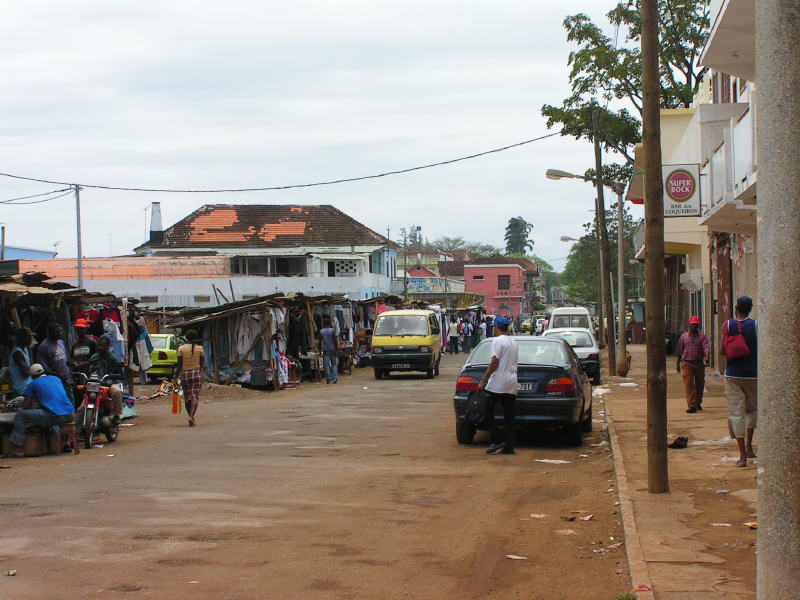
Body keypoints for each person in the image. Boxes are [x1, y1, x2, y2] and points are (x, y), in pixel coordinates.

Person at [3, 364, 75, 458]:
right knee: (51, 413)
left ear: (32, 375)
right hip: (70, 414)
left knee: (20, 416)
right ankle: (66, 442)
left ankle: (18, 449)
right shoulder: (56, 379)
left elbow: (26, 406)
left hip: (55, 416)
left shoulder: (33, 384)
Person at [722, 296, 758, 467]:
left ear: (736, 308)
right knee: (752, 410)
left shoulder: (728, 325)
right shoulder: (756, 326)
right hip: (753, 375)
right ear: (750, 308)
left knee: (737, 414)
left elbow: (722, 350)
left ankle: (742, 457)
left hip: (733, 374)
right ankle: (750, 447)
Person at [477, 316, 518, 455]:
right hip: (511, 383)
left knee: (486, 411)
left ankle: (497, 439)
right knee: (509, 416)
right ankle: (509, 445)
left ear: (497, 327)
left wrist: (483, 378)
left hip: (498, 383)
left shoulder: (497, 341)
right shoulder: (513, 342)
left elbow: (494, 362)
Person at [85, 336, 125, 423]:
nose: (100, 348)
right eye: (99, 345)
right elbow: (87, 371)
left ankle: (116, 415)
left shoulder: (112, 359)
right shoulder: (93, 357)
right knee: (82, 404)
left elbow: (121, 375)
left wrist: (112, 376)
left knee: (117, 391)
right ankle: (79, 428)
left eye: (102, 345)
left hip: (109, 384)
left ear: (108, 346)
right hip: (95, 385)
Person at [676, 316, 710, 413]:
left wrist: (707, 356)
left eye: (696, 325)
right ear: (689, 325)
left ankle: (698, 402)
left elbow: (706, 347)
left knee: (700, 384)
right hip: (687, 363)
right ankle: (691, 405)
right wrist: (677, 364)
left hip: (699, 363)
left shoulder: (702, 337)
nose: (695, 327)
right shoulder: (684, 337)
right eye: (693, 325)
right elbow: (679, 351)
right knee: (689, 385)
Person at [174, 330, 205, 427]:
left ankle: (190, 417)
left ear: (186, 337)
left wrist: (175, 377)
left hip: (185, 375)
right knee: (194, 396)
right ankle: (191, 416)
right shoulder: (200, 348)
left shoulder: (181, 348)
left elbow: (179, 365)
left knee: (187, 397)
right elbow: (201, 363)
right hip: (196, 374)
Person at [35, 323, 73, 401]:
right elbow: (43, 369)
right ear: (51, 333)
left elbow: (64, 360)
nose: (60, 334)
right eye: (57, 332)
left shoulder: (61, 342)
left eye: (61, 331)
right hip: (55, 383)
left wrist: (72, 363)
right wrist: (59, 375)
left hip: (67, 380)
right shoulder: (43, 347)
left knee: (70, 404)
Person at [9, 328, 34, 397]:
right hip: (22, 389)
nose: (31, 338)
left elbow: (29, 367)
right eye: (29, 336)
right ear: (22, 338)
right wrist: (36, 371)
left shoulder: (25, 349)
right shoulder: (17, 353)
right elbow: (25, 373)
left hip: (28, 385)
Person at [318, 317, 339, 384]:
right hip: (333, 349)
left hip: (325, 350)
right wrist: (337, 349)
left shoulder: (321, 331)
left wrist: (319, 350)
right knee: (334, 364)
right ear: (330, 323)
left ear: (323, 324)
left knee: (326, 365)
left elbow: (320, 342)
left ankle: (328, 378)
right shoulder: (332, 331)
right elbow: (335, 341)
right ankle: (335, 378)